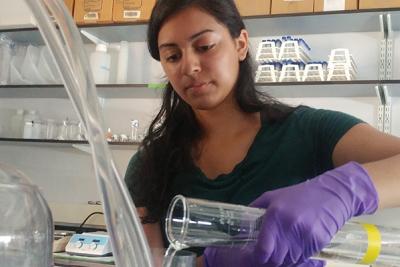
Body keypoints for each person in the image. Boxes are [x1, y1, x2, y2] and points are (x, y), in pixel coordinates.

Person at [124, 0, 400, 266]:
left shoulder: (309, 131)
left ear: (240, 44)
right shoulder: (149, 165)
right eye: (172, 56)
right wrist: (209, 263)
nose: (189, 67)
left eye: (205, 46)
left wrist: (345, 190)